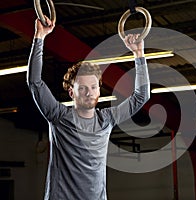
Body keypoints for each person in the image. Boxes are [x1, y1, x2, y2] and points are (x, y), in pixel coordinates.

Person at [27, 16, 150, 200]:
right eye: (82, 88)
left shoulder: (106, 119)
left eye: (93, 87)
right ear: (71, 93)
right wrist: (40, 37)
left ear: (99, 91)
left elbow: (142, 96)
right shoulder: (59, 117)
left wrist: (139, 54)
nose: (88, 93)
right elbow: (35, 82)